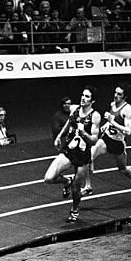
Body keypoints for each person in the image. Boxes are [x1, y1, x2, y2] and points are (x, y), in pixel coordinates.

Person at [44, 86, 101, 223]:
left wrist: (83, 133)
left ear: (92, 101)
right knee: (48, 178)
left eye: (87, 97)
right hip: (69, 151)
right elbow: (69, 121)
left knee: (76, 189)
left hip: (82, 156)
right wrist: (59, 136)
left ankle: (75, 210)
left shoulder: (95, 116)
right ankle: (66, 181)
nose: (83, 98)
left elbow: (94, 140)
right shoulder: (75, 108)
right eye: (83, 95)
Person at [82, 83, 131, 196]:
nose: (115, 95)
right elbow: (111, 120)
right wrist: (107, 125)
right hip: (106, 138)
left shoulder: (127, 109)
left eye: (119, 94)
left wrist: (112, 121)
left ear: (125, 97)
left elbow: (128, 131)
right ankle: (88, 186)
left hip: (118, 143)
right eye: (115, 92)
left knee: (122, 169)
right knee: (89, 157)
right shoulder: (112, 104)